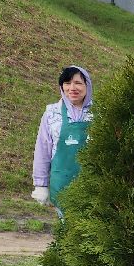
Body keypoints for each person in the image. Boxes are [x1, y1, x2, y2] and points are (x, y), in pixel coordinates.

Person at [31, 65, 93, 209]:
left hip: (92, 187)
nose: (72, 88)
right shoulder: (52, 114)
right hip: (61, 186)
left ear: (87, 85)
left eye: (78, 83)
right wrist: (41, 185)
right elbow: (42, 150)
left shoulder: (99, 113)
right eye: (67, 83)